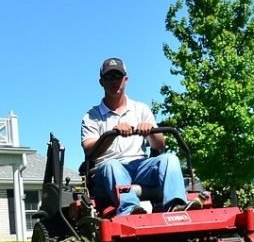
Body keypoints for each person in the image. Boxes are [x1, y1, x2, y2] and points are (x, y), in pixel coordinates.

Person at [81, 57, 198, 215]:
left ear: (126, 80)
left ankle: (176, 205)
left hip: (140, 167)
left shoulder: (141, 109)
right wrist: (113, 135)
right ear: (101, 82)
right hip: (108, 171)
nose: (114, 81)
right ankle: (131, 210)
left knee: (169, 159)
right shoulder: (92, 116)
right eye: (108, 77)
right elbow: (89, 150)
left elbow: (159, 145)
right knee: (112, 165)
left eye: (118, 76)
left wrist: (151, 131)